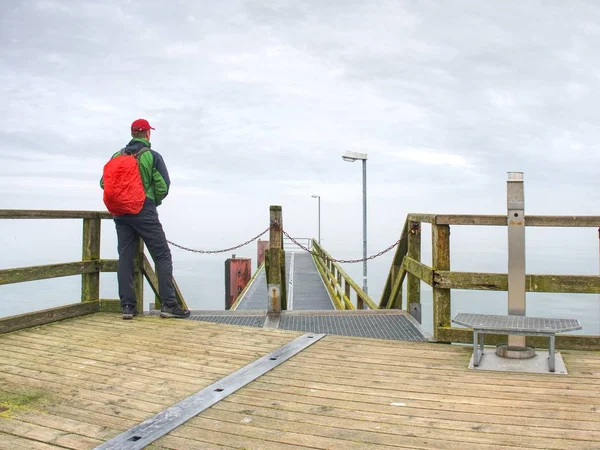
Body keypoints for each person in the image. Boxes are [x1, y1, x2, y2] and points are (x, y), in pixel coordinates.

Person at [101, 118, 190, 320]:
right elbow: (163, 186)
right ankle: (169, 304)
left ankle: (127, 307)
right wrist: (150, 201)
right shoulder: (152, 156)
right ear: (148, 134)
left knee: (125, 257)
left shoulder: (116, 155)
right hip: (144, 211)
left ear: (132, 133)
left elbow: (103, 183)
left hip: (121, 214)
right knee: (161, 255)